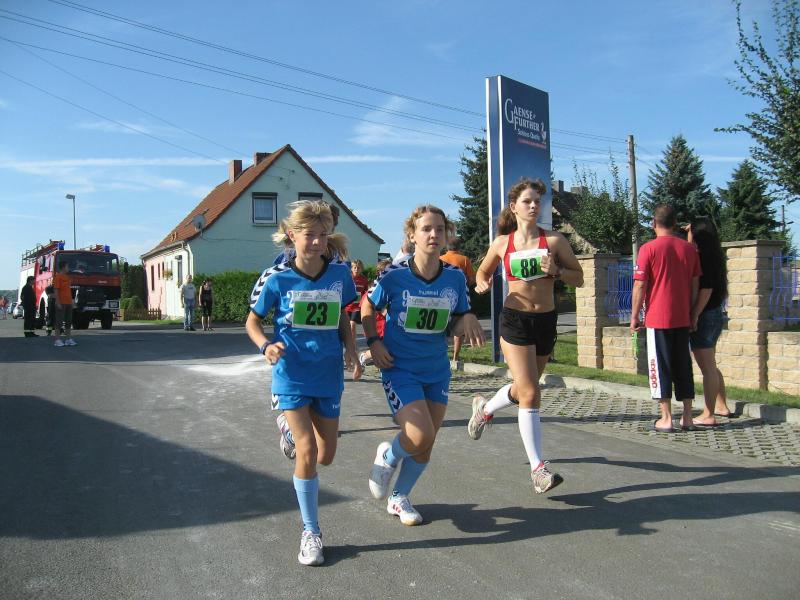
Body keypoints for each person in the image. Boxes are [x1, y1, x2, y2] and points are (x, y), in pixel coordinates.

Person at [246, 199, 361, 566]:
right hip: (291, 374)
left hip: (327, 373)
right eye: (309, 235)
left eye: (322, 235)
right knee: (307, 450)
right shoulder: (278, 278)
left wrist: (351, 348)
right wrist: (266, 346)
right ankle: (311, 532)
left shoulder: (339, 275)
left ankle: (286, 428)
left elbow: (342, 316)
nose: (315, 242)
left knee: (326, 456)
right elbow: (252, 321)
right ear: (292, 236)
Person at [364, 205, 484, 525]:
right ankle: (387, 456)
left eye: (440, 229)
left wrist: (467, 319)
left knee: (427, 443)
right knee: (418, 435)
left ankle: (399, 498)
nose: (434, 234)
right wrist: (373, 342)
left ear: (447, 235)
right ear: (412, 235)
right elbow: (367, 306)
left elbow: (457, 319)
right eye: (426, 229)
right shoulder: (393, 275)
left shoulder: (455, 277)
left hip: (436, 370)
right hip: (400, 367)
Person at [467, 177, 584, 494]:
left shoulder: (555, 241)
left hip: (545, 321)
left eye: (537, 201)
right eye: (527, 201)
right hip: (514, 320)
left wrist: (557, 271)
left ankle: (485, 410)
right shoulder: (502, 243)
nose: (533, 206)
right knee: (531, 392)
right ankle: (538, 469)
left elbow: (579, 278)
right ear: (514, 207)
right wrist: (482, 282)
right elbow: (482, 271)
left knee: (523, 389)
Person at [630, 204, 701, 432]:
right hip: (682, 318)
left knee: (659, 366)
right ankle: (687, 416)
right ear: (675, 223)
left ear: (653, 223)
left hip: (657, 319)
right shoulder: (689, 249)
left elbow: (640, 285)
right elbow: (695, 284)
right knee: (683, 365)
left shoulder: (648, 249)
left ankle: (666, 418)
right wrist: (692, 313)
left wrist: (634, 316)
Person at [683, 219, 733, 425]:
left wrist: (694, 314)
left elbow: (706, 288)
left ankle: (708, 414)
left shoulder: (702, 257)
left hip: (705, 316)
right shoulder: (714, 255)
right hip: (715, 314)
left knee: (707, 369)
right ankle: (721, 406)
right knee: (711, 364)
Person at [439, 236, 476, 362]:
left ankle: (442, 354)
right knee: (458, 329)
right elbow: (472, 279)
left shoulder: (440, 259)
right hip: (460, 298)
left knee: (441, 327)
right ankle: (455, 356)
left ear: (446, 247)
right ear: (459, 247)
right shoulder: (464, 259)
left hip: (441, 297)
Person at [53, 262, 76, 346]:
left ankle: (68, 339)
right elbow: (56, 290)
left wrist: (72, 301)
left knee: (68, 322)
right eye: (67, 266)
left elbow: (69, 291)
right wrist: (58, 302)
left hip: (68, 302)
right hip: (61, 302)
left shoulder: (67, 277)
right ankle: (57, 340)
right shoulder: (58, 277)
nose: (68, 268)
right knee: (59, 322)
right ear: (63, 267)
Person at [346, 260, 369, 342]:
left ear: (361, 269)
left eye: (358, 268)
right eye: (354, 267)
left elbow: (366, 293)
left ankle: (353, 344)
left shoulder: (364, 280)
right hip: (347, 306)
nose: (356, 269)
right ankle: (348, 342)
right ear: (351, 268)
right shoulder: (347, 278)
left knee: (352, 324)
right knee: (346, 326)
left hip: (357, 307)